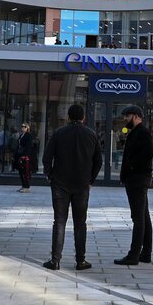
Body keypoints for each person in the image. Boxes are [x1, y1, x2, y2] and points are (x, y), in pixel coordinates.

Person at [42, 104, 102, 271]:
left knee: (59, 222)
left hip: (60, 183)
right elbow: (98, 161)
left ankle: (55, 260)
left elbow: (47, 157)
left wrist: (49, 174)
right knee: (80, 223)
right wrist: (91, 179)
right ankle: (80, 260)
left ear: (68, 117)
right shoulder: (91, 135)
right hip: (82, 184)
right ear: (83, 117)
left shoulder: (58, 134)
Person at [114, 104, 153, 266]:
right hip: (137, 178)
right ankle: (146, 253)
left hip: (137, 179)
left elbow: (148, 153)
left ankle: (134, 255)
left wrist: (131, 168)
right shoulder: (136, 132)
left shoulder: (142, 133)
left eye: (127, 116)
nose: (125, 119)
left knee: (138, 218)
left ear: (137, 116)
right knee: (144, 216)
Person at [15, 123, 35, 192]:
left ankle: (27, 186)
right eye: (22, 126)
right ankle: (23, 185)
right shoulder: (21, 135)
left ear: (27, 128)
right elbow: (18, 145)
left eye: (24, 127)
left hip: (25, 156)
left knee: (25, 171)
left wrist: (25, 155)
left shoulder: (28, 136)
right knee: (21, 171)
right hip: (19, 154)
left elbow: (28, 146)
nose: (23, 128)